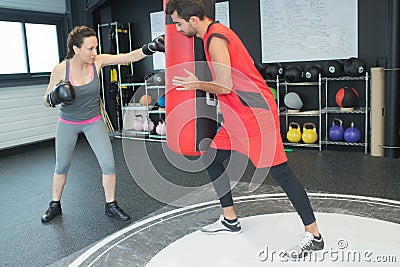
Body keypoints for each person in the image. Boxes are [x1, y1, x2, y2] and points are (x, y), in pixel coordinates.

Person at [166, 0, 324, 259]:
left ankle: (314, 236)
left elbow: (225, 86)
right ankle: (230, 219)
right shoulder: (212, 36)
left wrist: (198, 84)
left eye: (179, 24)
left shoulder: (216, 38)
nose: (178, 29)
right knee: (212, 157)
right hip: (236, 115)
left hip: (254, 114)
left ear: (193, 20)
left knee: (281, 173)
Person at [41, 26, 164, 223]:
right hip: (68, 122)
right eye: (90, 48)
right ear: (76, 49)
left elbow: (127, 57)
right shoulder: (60, 70)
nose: (95, 52)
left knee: (108, 164)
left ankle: (111, 205)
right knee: (62, 166)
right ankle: (55, 204)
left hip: (93, 121)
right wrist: (54, 97)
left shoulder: (97, 62)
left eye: (96, 47)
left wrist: (150, 47)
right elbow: (45, 100)